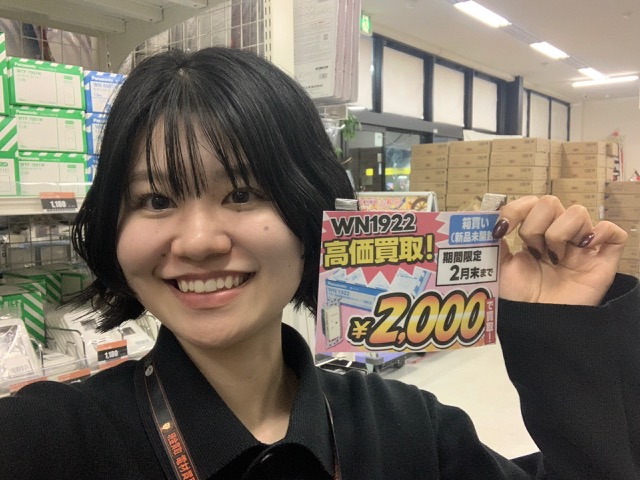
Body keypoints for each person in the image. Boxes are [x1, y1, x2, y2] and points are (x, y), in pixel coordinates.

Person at [0, 46, 638, 480]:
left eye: (242, 193)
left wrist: (563, 330)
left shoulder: (411, 432)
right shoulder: (42, 441)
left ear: (313, 217)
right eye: (155, 200)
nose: (196, 242)